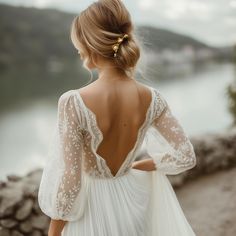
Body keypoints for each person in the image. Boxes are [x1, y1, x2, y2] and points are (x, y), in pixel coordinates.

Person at [38, 0, 197, 235]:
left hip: (92, 214)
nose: (77, 50)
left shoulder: (73, 102)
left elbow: (71, 182)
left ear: (90, 44)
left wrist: (53, 232)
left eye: (78, 44)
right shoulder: (154, 98)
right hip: (132, 204)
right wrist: (138, 166)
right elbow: (185, 157)